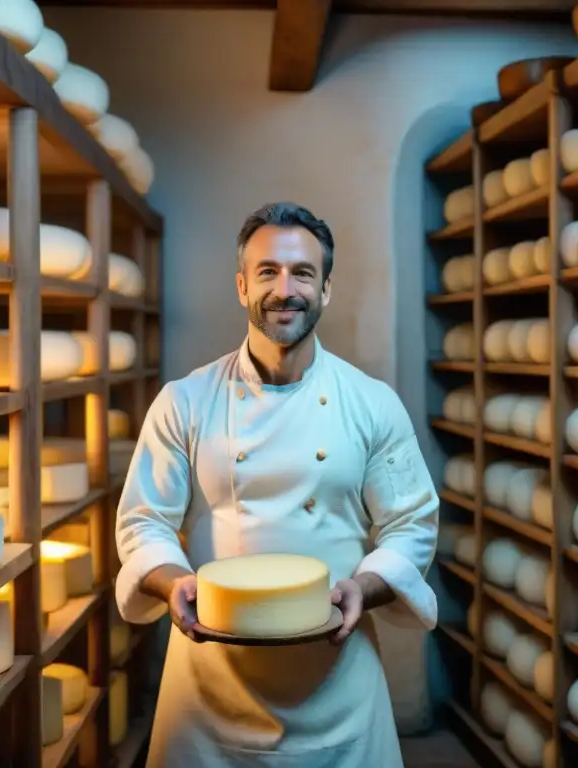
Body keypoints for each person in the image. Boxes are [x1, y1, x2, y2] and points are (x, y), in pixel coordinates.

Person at [114, 201, 440, 768]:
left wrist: (366, 585)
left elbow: (411, 524)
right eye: (267, 271)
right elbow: (144, 520)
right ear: (242, 286)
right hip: (212, 678)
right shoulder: (184, 401)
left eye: (302, 273)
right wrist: (172, 585)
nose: (284, 289)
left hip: (336, 680)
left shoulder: (371, 403)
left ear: (326, 289)